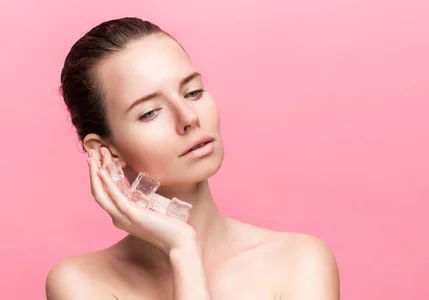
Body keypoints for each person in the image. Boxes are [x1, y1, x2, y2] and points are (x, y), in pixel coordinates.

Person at [45, 16, 339, 300]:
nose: (188, 117)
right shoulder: (81, 282)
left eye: (193, 92)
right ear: (105, 151)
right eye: (149, 112)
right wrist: (182, 248)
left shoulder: (300, 261)